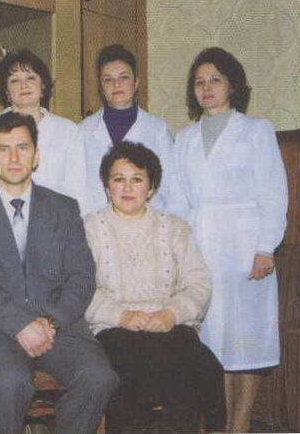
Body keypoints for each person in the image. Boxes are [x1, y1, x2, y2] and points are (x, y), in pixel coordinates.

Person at [0, 111, 118, 434]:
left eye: (22, 148)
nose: (13, 158)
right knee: (9, 382)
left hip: (57, 327)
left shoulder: (64, 208)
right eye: (3, 149)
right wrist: (20, 324)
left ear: (36, 155)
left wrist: (50, 322)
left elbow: (82, 276)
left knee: (99, 377)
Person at [174, 47, 288, 433]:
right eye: (199, 81)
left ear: (232, 85)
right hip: (201, 248)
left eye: (215, 80)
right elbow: (177, 201)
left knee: (246, 340)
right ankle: (219, 423)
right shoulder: (184, 139)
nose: (206, 88)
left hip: (245, 249)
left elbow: (273, 193)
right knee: (212, 343)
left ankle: (239, 425)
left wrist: (265, 248)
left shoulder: (256, 130)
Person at [84, 142, 225, 433]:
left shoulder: (175, 227)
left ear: (151, 188)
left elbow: (198, 282)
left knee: (203, 369)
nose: (127, 187)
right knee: (133, 372)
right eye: (118, 179)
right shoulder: (88, 228)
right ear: (107, 186)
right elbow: (79, 288)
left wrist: (171, 314)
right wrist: (122, 316)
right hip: (114, 329)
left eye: (137, 179)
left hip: (170, 326)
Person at [80, 44, 184, 216]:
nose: (116, 84)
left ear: (136, 83)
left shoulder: (157, 130)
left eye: (124, 77)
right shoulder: (83, 130)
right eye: (108, 79)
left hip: (148, 223)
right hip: (97, 224)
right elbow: (77, 188)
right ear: (101, 87)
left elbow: (173, 189)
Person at [0, 49, 89, 211]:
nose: (23, 85)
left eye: (30, 77)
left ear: (43, 84)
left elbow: (79, 193)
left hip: (55, 219)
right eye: (14, 80)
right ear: (6, 91)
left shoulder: (68, 131)